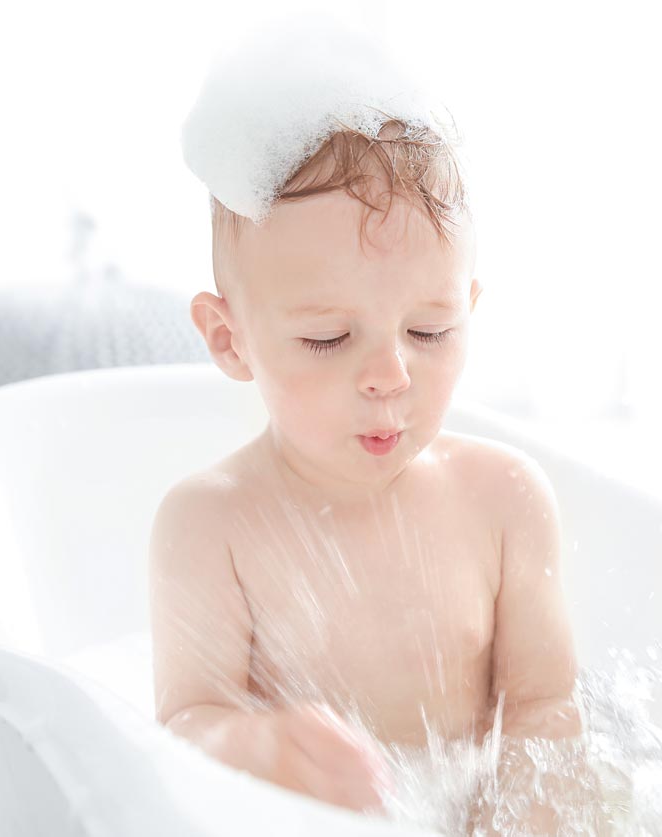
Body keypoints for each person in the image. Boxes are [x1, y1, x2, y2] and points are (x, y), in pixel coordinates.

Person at [150, 21, 584, 837]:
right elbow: (186, 724)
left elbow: (544, 708)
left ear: (472, 310)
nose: (391, 374)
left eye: (430, 330)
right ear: (229, 337)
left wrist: (514, 819)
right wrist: (262, 748)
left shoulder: (505, 502)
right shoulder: (210, 525)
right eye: (327, 338)